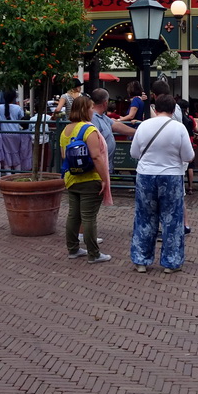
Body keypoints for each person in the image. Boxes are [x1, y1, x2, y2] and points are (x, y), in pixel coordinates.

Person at [129, 93, 195, 274]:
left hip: (146, 175)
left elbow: (134, 153)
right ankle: (171, 262)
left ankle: (141, 260)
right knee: (172, 219)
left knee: (144, 218)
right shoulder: (178, 127)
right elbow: (189, 156)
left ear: (154, 108)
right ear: (174, 110)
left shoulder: (143, 126)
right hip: (171, 175)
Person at [60, 95, 112, 264]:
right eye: (90, 108)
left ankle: (73, 249)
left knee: (73, 215)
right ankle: (94, 254)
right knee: (89, 217)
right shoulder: (89, 130)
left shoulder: (66, 130)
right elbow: (96, 157)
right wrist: (104, 179)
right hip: (90, 178)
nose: (92, 110)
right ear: (84, 109)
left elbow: (64, 156)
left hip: (72, 178)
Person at [89, 88, 137, 173]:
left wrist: (137, 132)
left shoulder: (102, 116)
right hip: (98, 169)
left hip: (105, 166)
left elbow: (116, 126)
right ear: (105, 103)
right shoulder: (93, 118)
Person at [0, 90, 29, 173]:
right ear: (14, 98)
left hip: (4, 134)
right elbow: (22, 120)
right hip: (16, 134)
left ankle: (8, 175)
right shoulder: (18, 108)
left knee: (6, 155)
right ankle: (17, 174)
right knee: (16, 154)